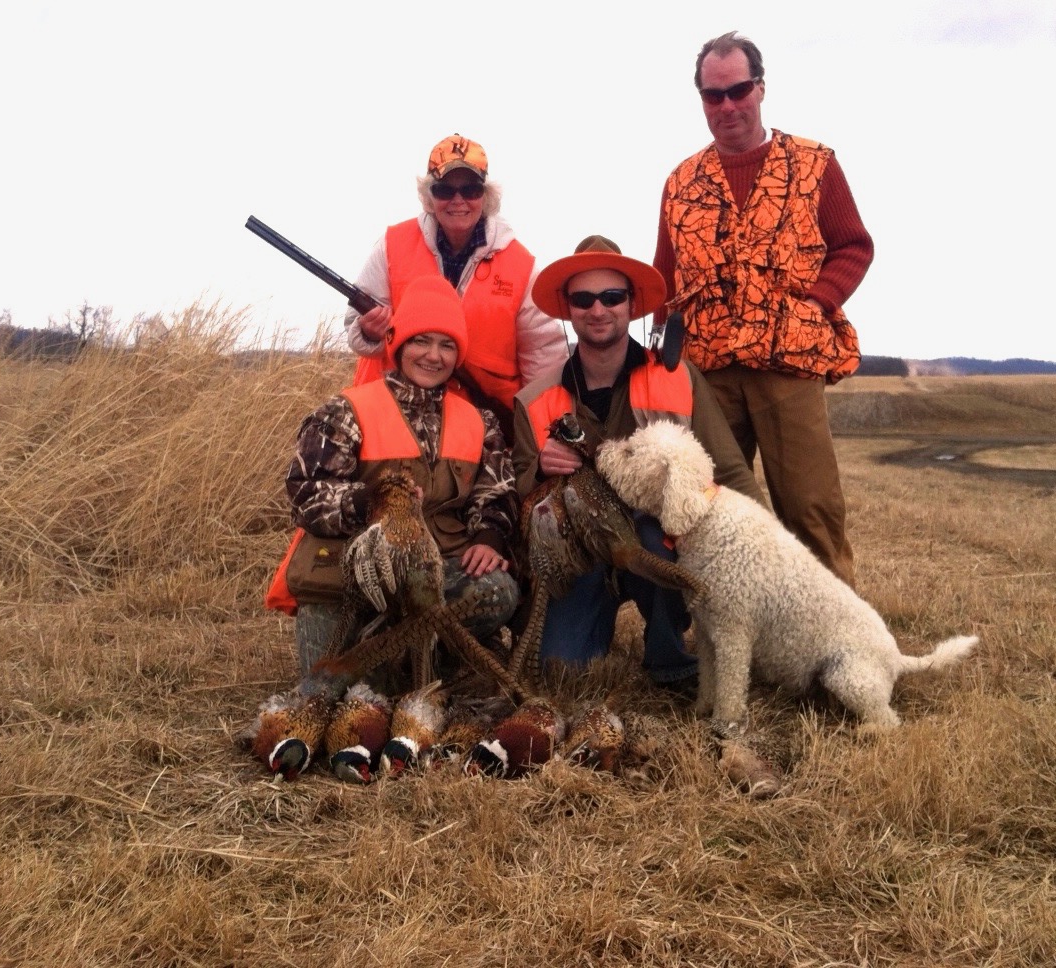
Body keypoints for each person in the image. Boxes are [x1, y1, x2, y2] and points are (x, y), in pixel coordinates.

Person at [653, 31, 874, 588]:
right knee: (709, 510)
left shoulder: (814, 164)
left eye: (738, 90)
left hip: (787, 366)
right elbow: (663, 279)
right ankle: (727, 630)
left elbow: (853, 246)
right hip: (708, 374)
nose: (727, 105)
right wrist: (659, 363)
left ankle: (837, 645)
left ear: (760, 88)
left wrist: (816, 304)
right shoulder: (681, 182)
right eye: (712, 95)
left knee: (810, 509)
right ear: (701, 100)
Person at [512, 235, 766, 691]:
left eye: (612, 297)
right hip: (581, 553)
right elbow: (518, 500)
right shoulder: (534, 400)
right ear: (568, 309)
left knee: (656, 536)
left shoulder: (679, 378)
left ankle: (668, 655)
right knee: (560, 672)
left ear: (632, 305)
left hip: (659, 539)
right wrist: (539, 472)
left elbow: (728, 472)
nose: (598, 309)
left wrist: (762, 549)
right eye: (583, 299)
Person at [268, 275, 521, 679]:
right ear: (398, 344)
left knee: (497, 590)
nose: (433, 356)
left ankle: (392, 665)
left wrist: (490, 537)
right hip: (354, 578)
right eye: (421, 340)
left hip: (435, 576)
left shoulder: (480, 421)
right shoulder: (343, 411)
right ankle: (420, 663)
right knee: (318, 695)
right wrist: (372, 502)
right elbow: (306, 494)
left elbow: (496, 491)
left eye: (447, 344)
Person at [344, 133, 568, 435]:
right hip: (389, 419)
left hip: (482, 430)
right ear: (429, 196)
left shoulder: (521, 265)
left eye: (471, 189)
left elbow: (545, 360)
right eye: (445, 189)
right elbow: (356, 328)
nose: (458, 200)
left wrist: (541, 438)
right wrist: (370, 332)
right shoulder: (391, 246)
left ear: (486, 196)